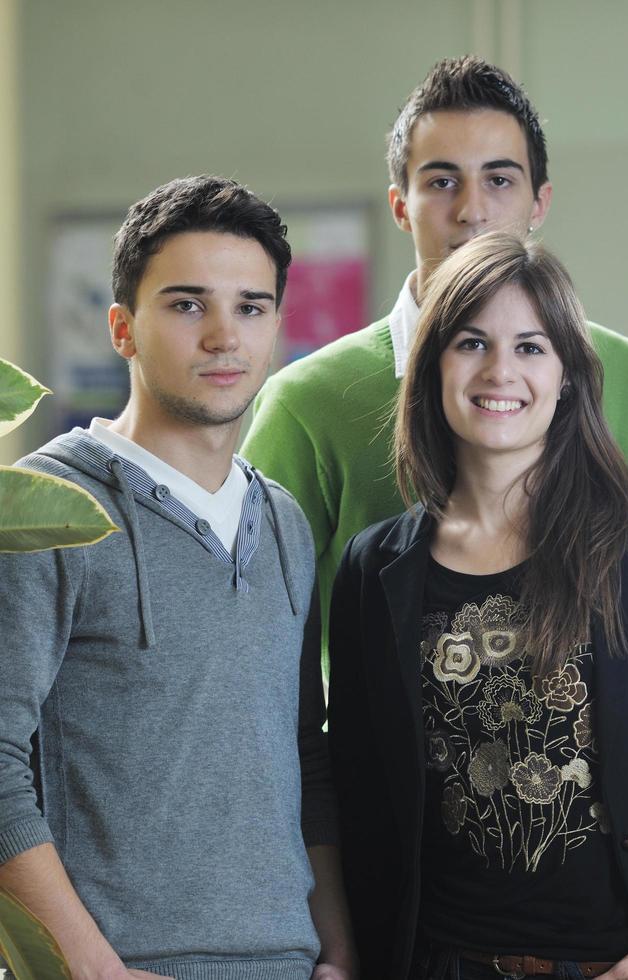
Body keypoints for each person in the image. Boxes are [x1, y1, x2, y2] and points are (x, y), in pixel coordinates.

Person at [326, 232, 628, 980]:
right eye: (470, 342)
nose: (499, 371)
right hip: (442, 960)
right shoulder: (373, 569)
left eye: (530, 347)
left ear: (568, 378)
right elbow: (361, 799)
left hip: (621, 962)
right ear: (431, 369)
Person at [0, 176, 352, 979]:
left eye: (251, 307)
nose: (224, 336)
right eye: (188, 305)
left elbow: (306, 753)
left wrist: (338, 947)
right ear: (123, 328)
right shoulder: (49, 511)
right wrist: (87, 967)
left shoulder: (286, 523)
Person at [242, 56, 628, 660]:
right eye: (442, 182)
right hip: (382, 746)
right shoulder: (305, 401)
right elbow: (257, 627)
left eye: (499, 180)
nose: (472, 210)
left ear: (539, 201)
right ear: (400, 205)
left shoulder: (626, 376)